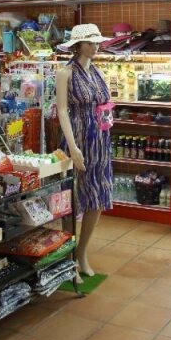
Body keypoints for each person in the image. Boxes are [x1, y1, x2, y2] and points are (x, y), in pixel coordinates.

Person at [56, 24, 112, 276]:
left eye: (97, 42)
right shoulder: (65, 73)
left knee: (98, 195)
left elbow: (105, 105)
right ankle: (68, 257)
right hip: (76, 137)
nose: (95, 46)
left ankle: (82, 252)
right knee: (71, 197)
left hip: (99, 139)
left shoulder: (98, 72)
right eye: (90, 42)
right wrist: (72, 146)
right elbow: (62, 110)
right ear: (78, 45)